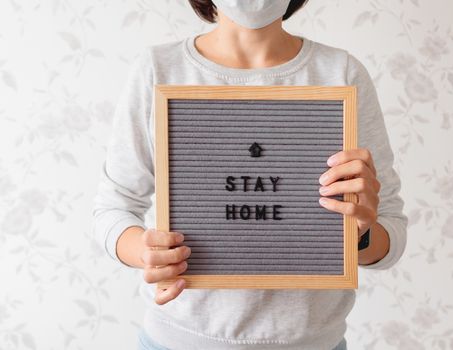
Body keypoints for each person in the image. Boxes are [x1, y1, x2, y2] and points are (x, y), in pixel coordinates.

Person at [92, 0, 408, 349]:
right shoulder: (158, 69)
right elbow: (113, 208)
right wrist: (145, 251)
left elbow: (390, 234)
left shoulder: (340, 73)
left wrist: (359, 233)